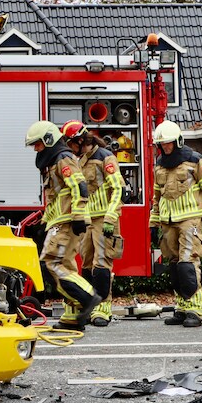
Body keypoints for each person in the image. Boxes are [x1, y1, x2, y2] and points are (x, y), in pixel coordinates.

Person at [25, 120, 104, 331]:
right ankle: (74, 317)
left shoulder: (63, 158)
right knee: (66, 266)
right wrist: (45, 222)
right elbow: (58, 196)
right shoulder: (55, 161)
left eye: (38, 144)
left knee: (51, 262)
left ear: (48, 140)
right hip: (60, 220)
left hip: (67, 220)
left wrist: (78, 216)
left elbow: (79, 186)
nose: (36, 149)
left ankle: (87, 297)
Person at [148, 120, 202, 328]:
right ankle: (181, 308)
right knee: (174, 266)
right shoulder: (159, 164)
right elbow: (156, 198)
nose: (166, 148)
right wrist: (153, 224)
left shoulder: (195, 161)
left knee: (187, 264)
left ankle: (195, 310)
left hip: (190, 220)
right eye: (162, 145)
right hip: (167, 222)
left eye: (169, 143)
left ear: (178, 141)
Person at [62, 120, 124, 327]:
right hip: (86, 221)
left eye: (70, 143)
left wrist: (110, 217)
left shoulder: (105, 158)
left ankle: (103, 308)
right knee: (87, 265)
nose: (69, 147)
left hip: (103, 220)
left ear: (80, 140)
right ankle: (89, 304)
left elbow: (118, 189)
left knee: (101, 263)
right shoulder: (79, 160)